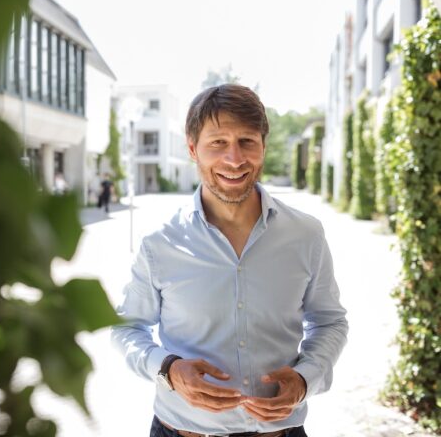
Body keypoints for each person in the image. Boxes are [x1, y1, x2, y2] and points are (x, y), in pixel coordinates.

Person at [111, 84, 348, 437]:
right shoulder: (159, 243)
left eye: (247, 142)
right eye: (218, 143)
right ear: (193, 149)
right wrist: (168, 370)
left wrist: (305, 378)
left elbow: (330, 322)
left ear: (263, 146)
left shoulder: (307, 235)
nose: (235, 159)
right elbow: (128, 327)